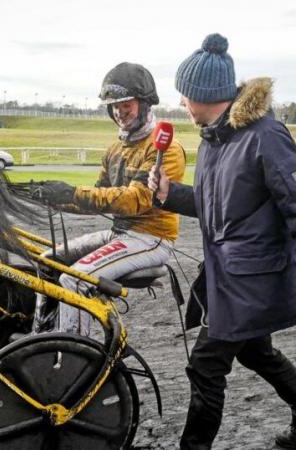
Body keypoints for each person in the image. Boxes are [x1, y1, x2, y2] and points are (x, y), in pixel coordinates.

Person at [148, 34, 296, 449]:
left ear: (203, 96)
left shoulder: (265, 136)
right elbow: (220, 206)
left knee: (205, 364)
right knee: (254, 351)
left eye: (184, 94)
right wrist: (169, 193)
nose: (181, 103)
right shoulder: (216, 138)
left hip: (250, 279)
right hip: (226, 275)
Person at [33, 62, 186, 335]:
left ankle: (74, 355)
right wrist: (53, 197)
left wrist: (72, 192)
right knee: (47, 260)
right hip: (119, 234)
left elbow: (134, 200)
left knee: (74, 280)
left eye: (126, 103)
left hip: (151, 238)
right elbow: (97, 195)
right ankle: (43, 336)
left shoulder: (166, 150)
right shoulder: (115, 149)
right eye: (114, 105)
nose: (119, 111)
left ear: (144, 103)